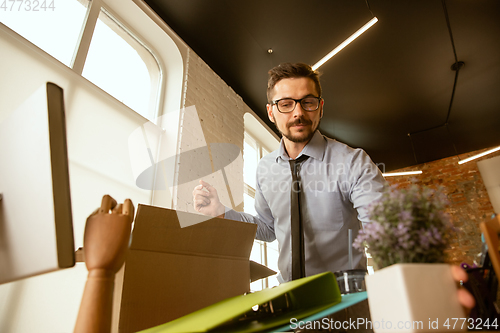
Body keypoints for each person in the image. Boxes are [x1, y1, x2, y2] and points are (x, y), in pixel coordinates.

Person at [192, 62, 475, 312]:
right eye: (286, 104)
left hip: (345, 298)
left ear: (321, 107)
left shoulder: (353, 162)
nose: (298, 113)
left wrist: (423, 282)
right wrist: (222, 212)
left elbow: (383, 228)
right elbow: (268, 229)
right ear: (271, 112)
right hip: (288, 298)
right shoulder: (265, 169)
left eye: (308, 102)